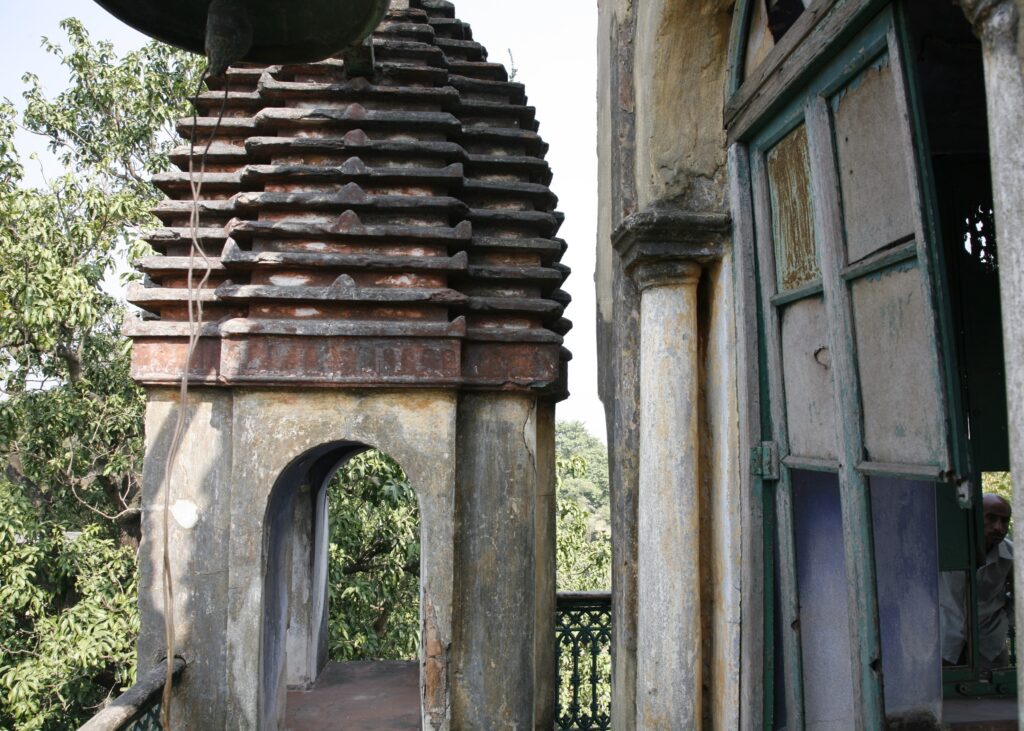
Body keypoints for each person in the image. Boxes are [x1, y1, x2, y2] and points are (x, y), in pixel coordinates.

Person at [939, 493, 1014, 669]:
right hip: (944, 640)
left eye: (1004, 521)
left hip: (989, 643)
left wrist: (1004, 621)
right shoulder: (943, 548)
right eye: (991, 518)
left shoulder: (1011, 555)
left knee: (994, 692)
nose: (999, 527)